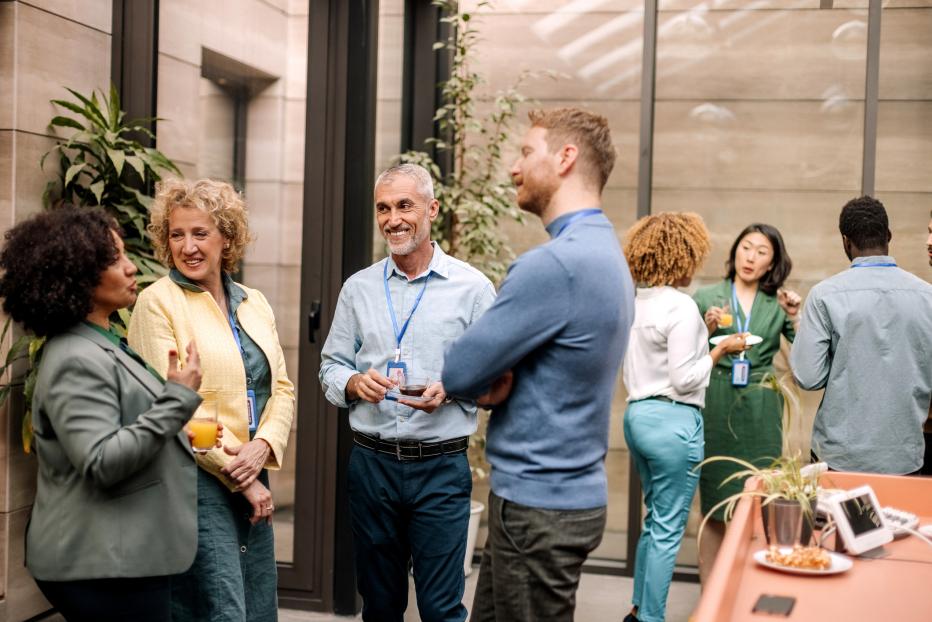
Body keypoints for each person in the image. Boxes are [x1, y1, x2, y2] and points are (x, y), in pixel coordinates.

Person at [442, 108, 634, 621]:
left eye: (527, 152)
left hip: (538, 506)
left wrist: (496, 374)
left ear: (566, 157)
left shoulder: (554, 264)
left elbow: (459, 371)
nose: (513, 167)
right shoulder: (605, 251)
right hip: (551, 498)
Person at [0, 207, 203, 622]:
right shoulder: (76, 357)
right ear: (75, 276)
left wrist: (180, 427)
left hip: (122, 555)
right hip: (103, 564)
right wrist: (177, 399)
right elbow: (101, 461)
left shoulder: (100, 341)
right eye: (114, 259)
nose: (132, 269)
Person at [319, 163, 495, 621]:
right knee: (379, 607)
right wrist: (355, 383)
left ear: (431, 209)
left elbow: (498, 376)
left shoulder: (473, 289)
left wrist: (453, 389)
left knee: (441, 609)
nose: (393, 218)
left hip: (440, 469)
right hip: (371, 467)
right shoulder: (358, 289)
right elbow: (330, 367)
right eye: (383, 208)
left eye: (404, 206)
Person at [128, 179, 295, 622]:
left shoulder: (253, 302)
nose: (188, 247)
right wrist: (240, 474)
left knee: (256, 606)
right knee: (219, 609)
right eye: (177, 234)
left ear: (227, 236)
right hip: (197, 481)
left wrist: (264, 448)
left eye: (200, 233)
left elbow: (281, 388)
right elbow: (171, 407)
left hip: (253, 472)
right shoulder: (156, 303)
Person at [621, 213, 747, 622]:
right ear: (684, 255)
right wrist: (718, 350)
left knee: (653, 520)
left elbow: (659, 357)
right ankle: (651, 618)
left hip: (638, 417)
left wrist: (703, 330)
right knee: (668, 529)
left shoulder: (636, 302)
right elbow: (684, 376)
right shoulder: (681, 306)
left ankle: (639, 609)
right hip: (673, 423)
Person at [692, 223, 801, 582]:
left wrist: (795, 316)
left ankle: (748, 592)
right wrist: (707, 330)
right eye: (746, 247)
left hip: (761, 403)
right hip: (716, 400)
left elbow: (804, 357)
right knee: (713, 502)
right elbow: (685, 356)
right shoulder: (707, 297)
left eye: (761, 252)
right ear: (735, 250)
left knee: (758, 500)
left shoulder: (777, 304)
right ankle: (710, 597)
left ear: (772, 264)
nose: (750, 257)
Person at [791, 196, 932, 474]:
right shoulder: (928, 296)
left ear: (846, 241)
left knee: (835, 520)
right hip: (905, 458)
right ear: (888, 235)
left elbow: (808, 377)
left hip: (839, 458)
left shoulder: (824, 295)